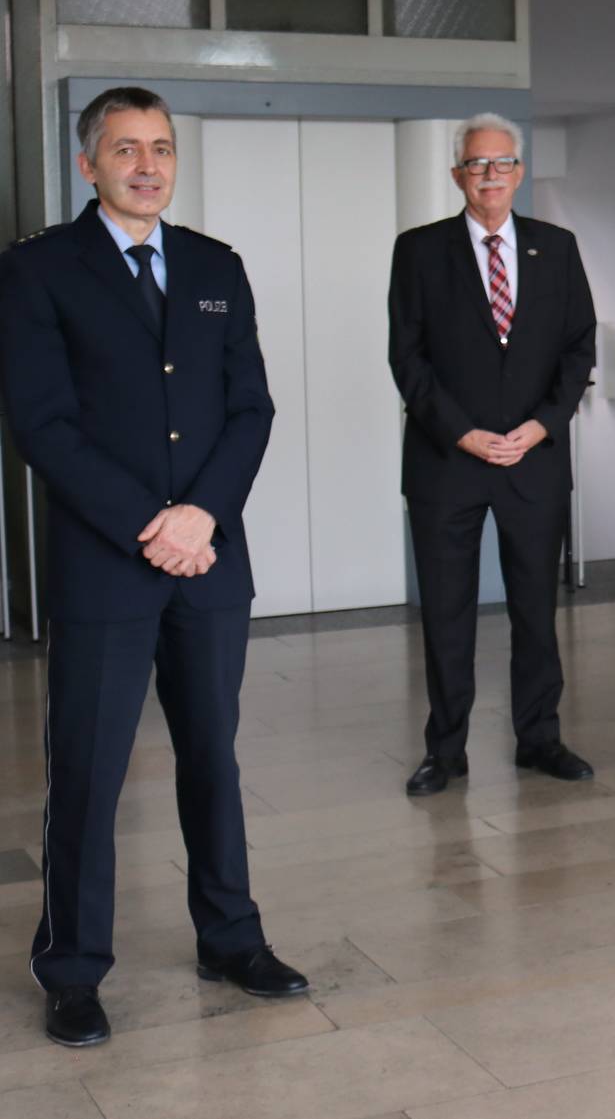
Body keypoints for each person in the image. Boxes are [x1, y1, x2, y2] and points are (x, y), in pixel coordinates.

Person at [0, 86, 309, 1048]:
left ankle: (231, 936)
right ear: (87, 163)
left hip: (211, 562)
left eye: (163, 147)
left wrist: (203, 514)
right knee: (89, 772)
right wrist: (152, 523)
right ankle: (74, 968)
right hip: (106, 568)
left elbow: (250, 408)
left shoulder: (218, 267)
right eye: (126, 148)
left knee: (212, 757)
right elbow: (41, 426)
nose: (148, 164)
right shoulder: (38, 270)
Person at [387, 113, 598, 797]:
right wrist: (463, 433)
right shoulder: (419, 251)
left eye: (501, 162)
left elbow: (578, 347)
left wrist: (540, 426)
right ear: (458, 175)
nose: (489, 175)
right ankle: (445, 750)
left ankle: (540, 738)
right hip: (447, 463)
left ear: (519, 170)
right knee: (447, 612)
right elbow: (408, 358)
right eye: (476, 164)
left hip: (532, 462)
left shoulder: (556, 248)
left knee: (536, 609)